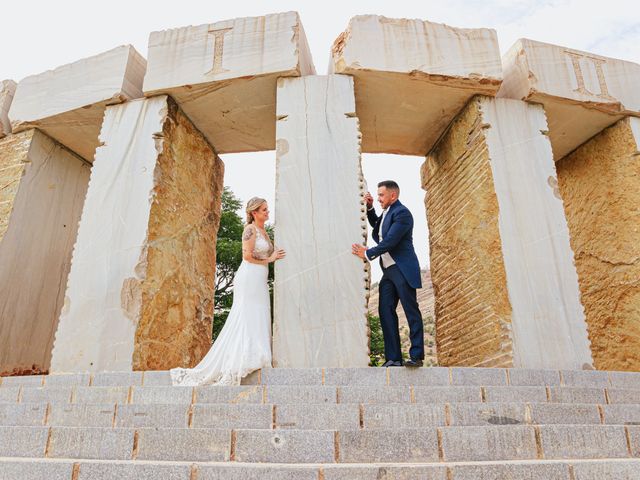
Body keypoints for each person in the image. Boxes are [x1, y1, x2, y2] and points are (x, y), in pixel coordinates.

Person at [171, 197, 285, 386]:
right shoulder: (249, 230)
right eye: (263, 210)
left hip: (260, 278)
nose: (267, 212)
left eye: (267, 209)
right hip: (249, 276)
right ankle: (245, 357)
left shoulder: (264, 231)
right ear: (254, 213)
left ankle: (258, 353)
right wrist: (271, 259)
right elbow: (247, 256)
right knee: (246, 314)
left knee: (259, 312)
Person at [352, 181, 424, 367]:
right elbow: (379, 231)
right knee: (385, 311)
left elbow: (391, 240)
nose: (378, 198)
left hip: (403, 269)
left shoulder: (403, 213)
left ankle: (416, 356)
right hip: (389, 271)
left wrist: (367, 253)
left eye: (381, 195)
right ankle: (393, 358)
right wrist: (369, 209)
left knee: (411, 311)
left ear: (393, 196)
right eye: (377, 195)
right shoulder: (387, 213)